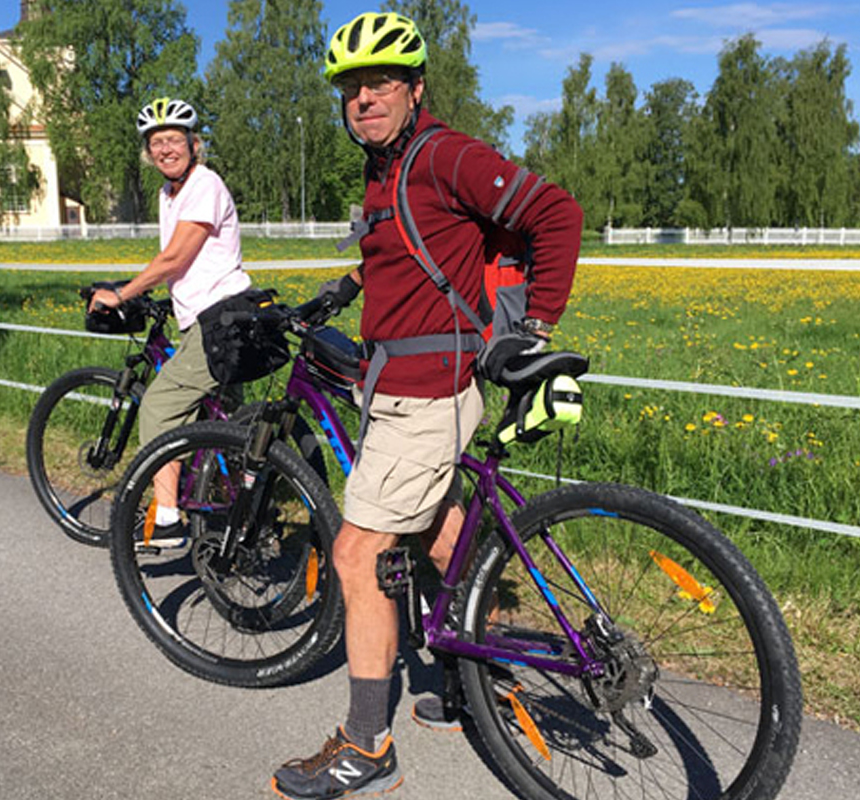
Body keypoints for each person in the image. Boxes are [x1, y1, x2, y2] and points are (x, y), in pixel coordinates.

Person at [268, 12, 584, 800]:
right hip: (409, 387)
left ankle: (367, 747)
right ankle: (469, 678)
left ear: (415, 90)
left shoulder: (443, 155)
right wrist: (344, 289)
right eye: (350, 88)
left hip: (426, 393)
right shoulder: (388, 170)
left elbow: (557, 214)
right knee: (443, 533)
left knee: (358, 555)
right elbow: (406, 255)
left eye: (380, 83)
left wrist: (535, 330)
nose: (363, 98)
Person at [90, 97, 251, 545]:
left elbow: (175, 256)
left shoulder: (204, 184)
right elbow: (187, 263)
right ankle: (238, 507)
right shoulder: (170, 193)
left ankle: (166, 520)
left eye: (173, 139)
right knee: (226, 422)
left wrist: (122, 294)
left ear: (193, 144)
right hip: (214, 316)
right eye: (156, 142)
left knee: (160, 408)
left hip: (218, 320)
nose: (165, 149)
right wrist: (163, 297)